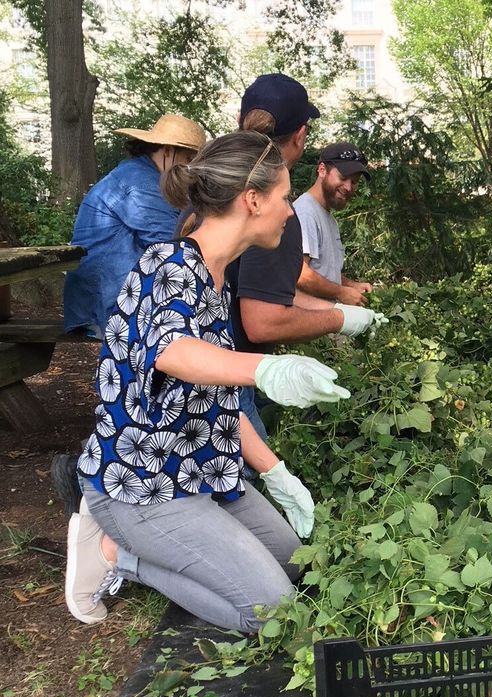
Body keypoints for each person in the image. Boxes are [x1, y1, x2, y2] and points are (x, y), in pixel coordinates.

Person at [64, 130, 352, 630]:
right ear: (253, 199)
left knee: (296, 565)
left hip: (204, 470)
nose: (289, 212)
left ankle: (151, 545)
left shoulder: (218, 276)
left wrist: (278, 475)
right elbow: (172, 351)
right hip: (144, 484)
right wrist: (265, 368)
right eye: (284, 198)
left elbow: (212, 393)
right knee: (274, 615)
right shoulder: (169, 266)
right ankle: (117, 553)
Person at [230, 74, 383, 440]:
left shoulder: (215, 187)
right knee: (240, 477)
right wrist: (338, 316)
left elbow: (262, 287)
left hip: (204, 364)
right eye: (285, 199)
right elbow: (264, 320)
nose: (289, 209)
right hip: (228, 373)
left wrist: (343, 304)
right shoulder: (274, 215)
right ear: (300, 136)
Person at [63, 114, 207, 338]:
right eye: (188, 158)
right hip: (104, 306)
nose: (190, 168)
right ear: (168, 151)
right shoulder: (142, 184)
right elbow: (173, 249)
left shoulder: (138, 174)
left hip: (97, 301)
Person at [295, 142, 374, 305]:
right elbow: (300, 274)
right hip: (307, 322)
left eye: (354, 181)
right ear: (322, 170)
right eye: (343, 178)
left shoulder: (327, 217)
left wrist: (352, 285)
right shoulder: (305, 212)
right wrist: (341, 292)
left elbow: (324, 271)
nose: (348, 187)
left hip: (325, 323)